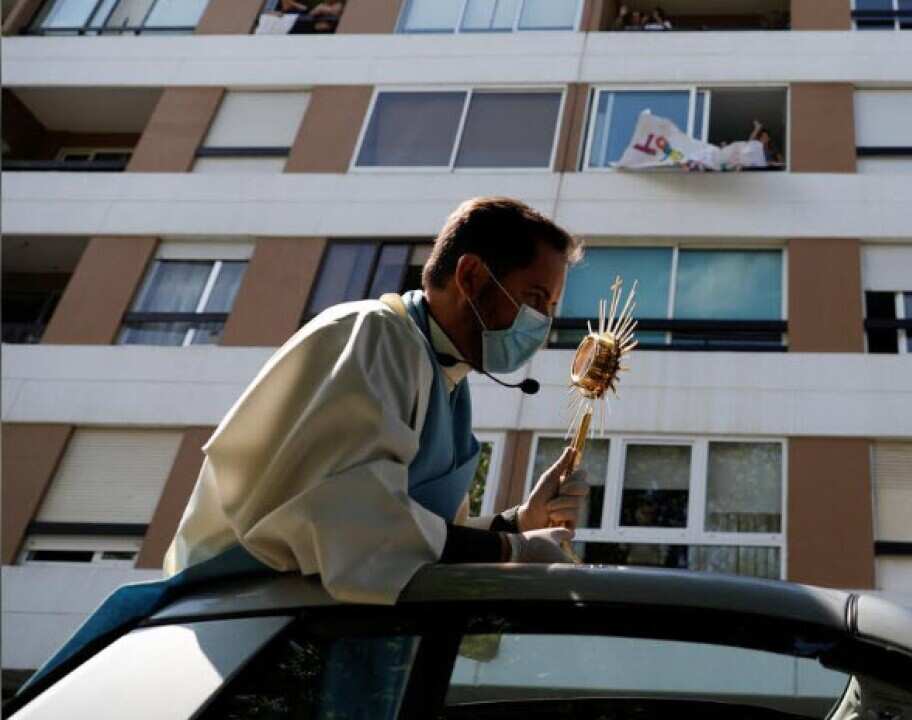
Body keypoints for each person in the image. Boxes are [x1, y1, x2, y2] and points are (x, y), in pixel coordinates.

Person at [26, 198, 590, 688]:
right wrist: (510, 552)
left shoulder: (446, 382)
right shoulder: (371, 336)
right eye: (535, 298)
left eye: (551, 309)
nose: (541, 323)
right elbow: (354, 521)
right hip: (252, 643)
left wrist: (513, 524)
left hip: (319, 639)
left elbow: (417, 539)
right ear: (470, 276)